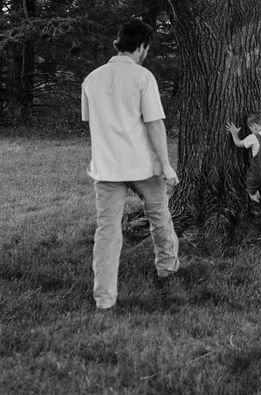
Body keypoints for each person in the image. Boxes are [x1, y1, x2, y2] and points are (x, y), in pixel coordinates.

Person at [81, 19, 182, 310]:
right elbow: (154, 125)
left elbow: (89, 119)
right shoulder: (142, 77)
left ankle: (104, 298)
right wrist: (167, 165)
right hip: (142, 166)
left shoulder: (91, 79)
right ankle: (167, 269)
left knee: (107, 231)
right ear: (141, 47)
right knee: (159, 217)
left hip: (106, 167)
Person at [225, 111, 261, 234]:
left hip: (257, 176)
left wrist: (234, 133)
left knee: (251, 190)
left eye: (250, 128)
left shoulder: (254, 137)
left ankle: (257, 204)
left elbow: (239, 144)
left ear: (254, 126)